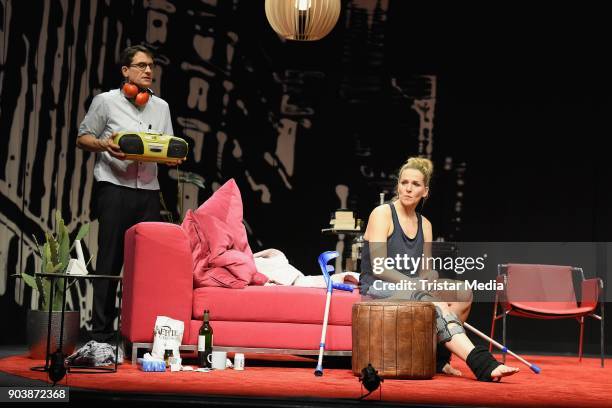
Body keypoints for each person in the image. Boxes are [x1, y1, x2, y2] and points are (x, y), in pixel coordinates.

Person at [359, 157, 519, 381]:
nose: (408, 188)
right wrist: (415, 283)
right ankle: (481, 363)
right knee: (435, 301)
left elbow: (425, 269)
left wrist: (429, 276)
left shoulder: (425, 224)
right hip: (378, 286)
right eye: (404, 182)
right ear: (397, 186)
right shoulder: (382, 214)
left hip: (412, 288)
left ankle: (440, 360)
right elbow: (378, 267)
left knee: (463, 292)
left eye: (415, 184)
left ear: (425, 191)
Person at [76, 45, 180, 343]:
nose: (149, 71)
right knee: (109, 261)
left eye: (151, 66)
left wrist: (172, 158)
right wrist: (104, 145)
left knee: (145, 266)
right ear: (126, 71)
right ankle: (102, 334)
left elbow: (168, 146)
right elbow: (82, 137)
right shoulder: (105, 102)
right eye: (142, 65)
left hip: (148, 192)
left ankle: (140, 333)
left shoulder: (161, 107)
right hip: (113, 189)